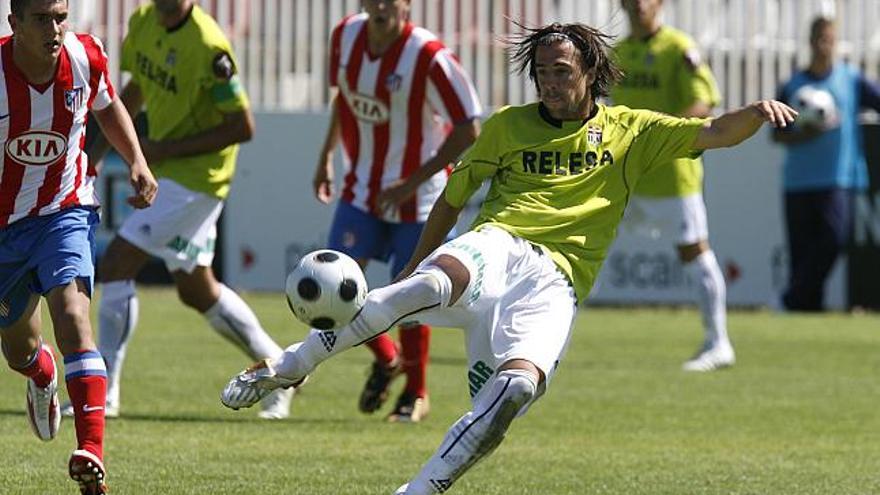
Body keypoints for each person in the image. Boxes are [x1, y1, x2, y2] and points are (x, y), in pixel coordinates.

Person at [221, 22, 795, 494]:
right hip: (499, 241)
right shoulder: (507, 126)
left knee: (514, 391)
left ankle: (416, 490)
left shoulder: (631, 130)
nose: (547, 83)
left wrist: (758, 110)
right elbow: (451, 201)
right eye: (541, 72)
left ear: (590, 73)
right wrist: (418, 264)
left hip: (556, 282)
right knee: (421, 288)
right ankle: (285, 368)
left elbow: (717, 130)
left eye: (560, 72)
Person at [61, 0, 294, 420]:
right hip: (170, 173)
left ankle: (104, 393)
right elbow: (132, 91)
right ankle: (281, 367)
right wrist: (95, 153)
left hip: (197, 180)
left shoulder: (209, 46)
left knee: (116, 263)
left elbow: (242, 126)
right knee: (195, 289)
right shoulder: (144, 21)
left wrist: (162, 150)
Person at [0, 0, 157, 492]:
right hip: (4, 229)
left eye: (61, 15)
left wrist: (137, 160)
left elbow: (109, 109)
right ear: (15, 23)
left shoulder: (86, 57)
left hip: (64, 211)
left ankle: (91, 452)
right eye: (42, 18)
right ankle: (40, 375)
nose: (55, 28)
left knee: (72, 317)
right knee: (20, 351)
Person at [312, 0, 480, 422]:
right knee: (329, 288)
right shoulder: (345, 35)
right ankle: (388, 360)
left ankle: (415, 393)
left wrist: (411, 181)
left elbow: (469, 126)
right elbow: (343, 99)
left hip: (419, 199)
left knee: (408, 296)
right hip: (362, 191)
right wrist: (325, 156)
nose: (383, 5)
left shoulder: (429, 55)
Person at [610, 0, 734, 371]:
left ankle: (718, 342)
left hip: (672, 175)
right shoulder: (617, 53)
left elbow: (705, 101)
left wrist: (661, 135)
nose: (637, 6)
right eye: (630, 1)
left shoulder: (679, 48)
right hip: (627, 174)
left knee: (693, 252)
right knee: (586, 245)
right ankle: (548, 336)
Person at [772, 17, 880, 311]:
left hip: (837, 178)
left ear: (836, 42)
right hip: (798, 181)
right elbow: (777, 136)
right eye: (820, 38)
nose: (824, 44)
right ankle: (805, 312)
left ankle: (790, 300)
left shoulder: (852, 80)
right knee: (801, 253)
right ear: (810, 41)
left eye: (829, 38)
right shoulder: (793, 85)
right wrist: (803, 134)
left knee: (834, 240)